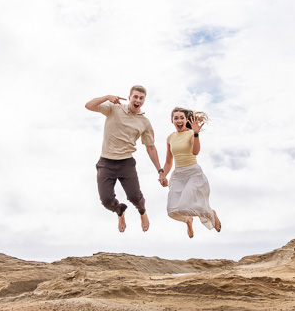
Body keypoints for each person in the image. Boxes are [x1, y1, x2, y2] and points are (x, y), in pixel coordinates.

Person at [85, 86, 163, 233]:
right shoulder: (113, 108)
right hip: (106, 162)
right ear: (129, 97)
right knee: (106, 201)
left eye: (141, 98)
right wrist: (106, 96)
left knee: (134, 197)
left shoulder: (144, 122)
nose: (138, 100)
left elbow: (150, 147)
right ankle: (120, 211)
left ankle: (142, 211)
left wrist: (160, 170)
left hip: (126, 162)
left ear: (144, 101)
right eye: (135, 97)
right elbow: (89, 105)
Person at [159, 107, 221, 237]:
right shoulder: (170, 138)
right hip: (178, 175)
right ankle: (188, 220)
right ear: (172, 121)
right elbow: (169, 162)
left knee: (185, 205)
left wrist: (196, 133)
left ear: (186, 120)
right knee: (172, 210)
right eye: (176, 118)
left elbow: (195, 152)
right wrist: (162, 174)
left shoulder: (191, 134)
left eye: (182, 118)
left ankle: (211, 213)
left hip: (193, 174)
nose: (179, 120)